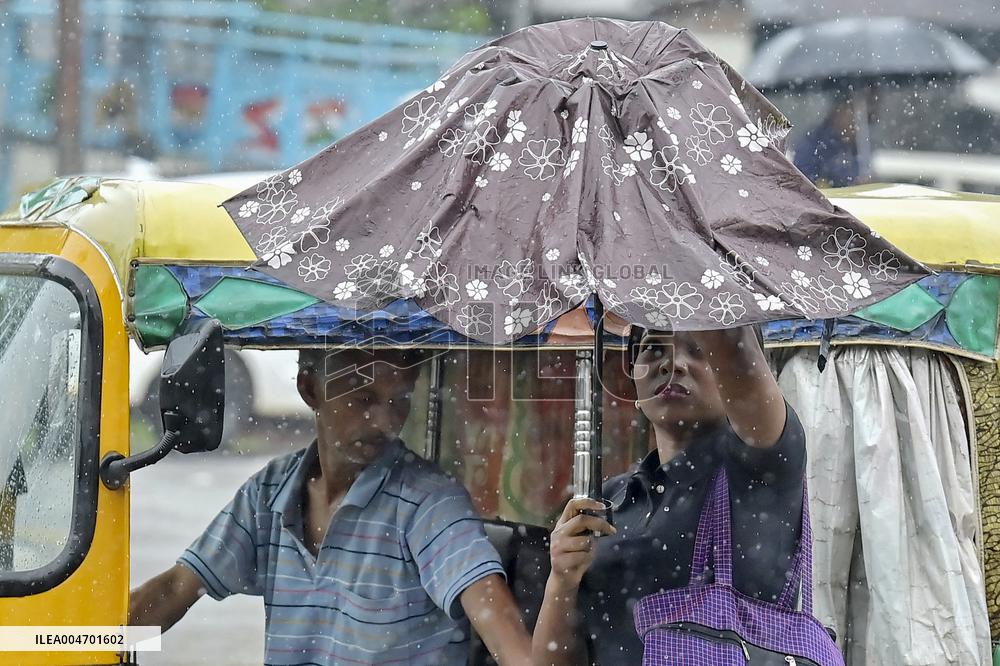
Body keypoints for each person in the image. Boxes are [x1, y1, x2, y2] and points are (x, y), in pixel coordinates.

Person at [130, 347, 532, 666]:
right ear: (310, 389)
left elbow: (499, 626)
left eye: (399, 401)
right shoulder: (270, 491)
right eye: (365, 399)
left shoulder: (429, 503)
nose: (385, 422)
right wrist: (98, 643)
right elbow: (178, 589)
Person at [532, 326, 807, 665]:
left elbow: (736, 347)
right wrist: (561, 581)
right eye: (654, 348)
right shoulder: (610, 500)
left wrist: (696, 299)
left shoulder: (758, 469)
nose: (672, 363)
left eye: (699, 348)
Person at [793, 95, 866, 188]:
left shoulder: (859, 146)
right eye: (852, 116)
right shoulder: (814, 143)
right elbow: (803, 180)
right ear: (838, 113)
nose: (856, 124)